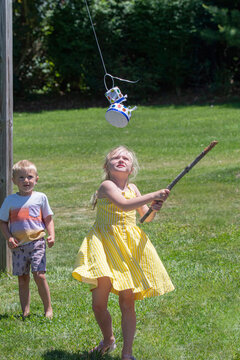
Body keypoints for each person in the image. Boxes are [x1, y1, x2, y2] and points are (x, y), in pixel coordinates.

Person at [72, 146, 174, 360]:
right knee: (99, 305)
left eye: (125, 158)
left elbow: (145, 218)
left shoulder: (134, 188)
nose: (120, 159)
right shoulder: (106, 185)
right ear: (107, 167)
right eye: (115, 157)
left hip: (126, 249)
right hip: (104, 245)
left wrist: (154, 207)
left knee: (127, 302)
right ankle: (108, 339)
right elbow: (125, 205)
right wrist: (152, 195)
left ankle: (127, 353)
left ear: (132, 168)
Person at [0, 160, 55, 319]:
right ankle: (25, 311)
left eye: (30, 177)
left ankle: (48, 308)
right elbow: (3, 221)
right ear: (14, 181)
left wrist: (51, 235)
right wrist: (8, 237)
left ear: (36, 179)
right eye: (21, 177)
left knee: (39, 275)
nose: (26, 180)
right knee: (23, 278)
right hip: (18, 246)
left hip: (37, 242)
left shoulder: (40, 198)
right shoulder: (10, 200)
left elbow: (48, 218)